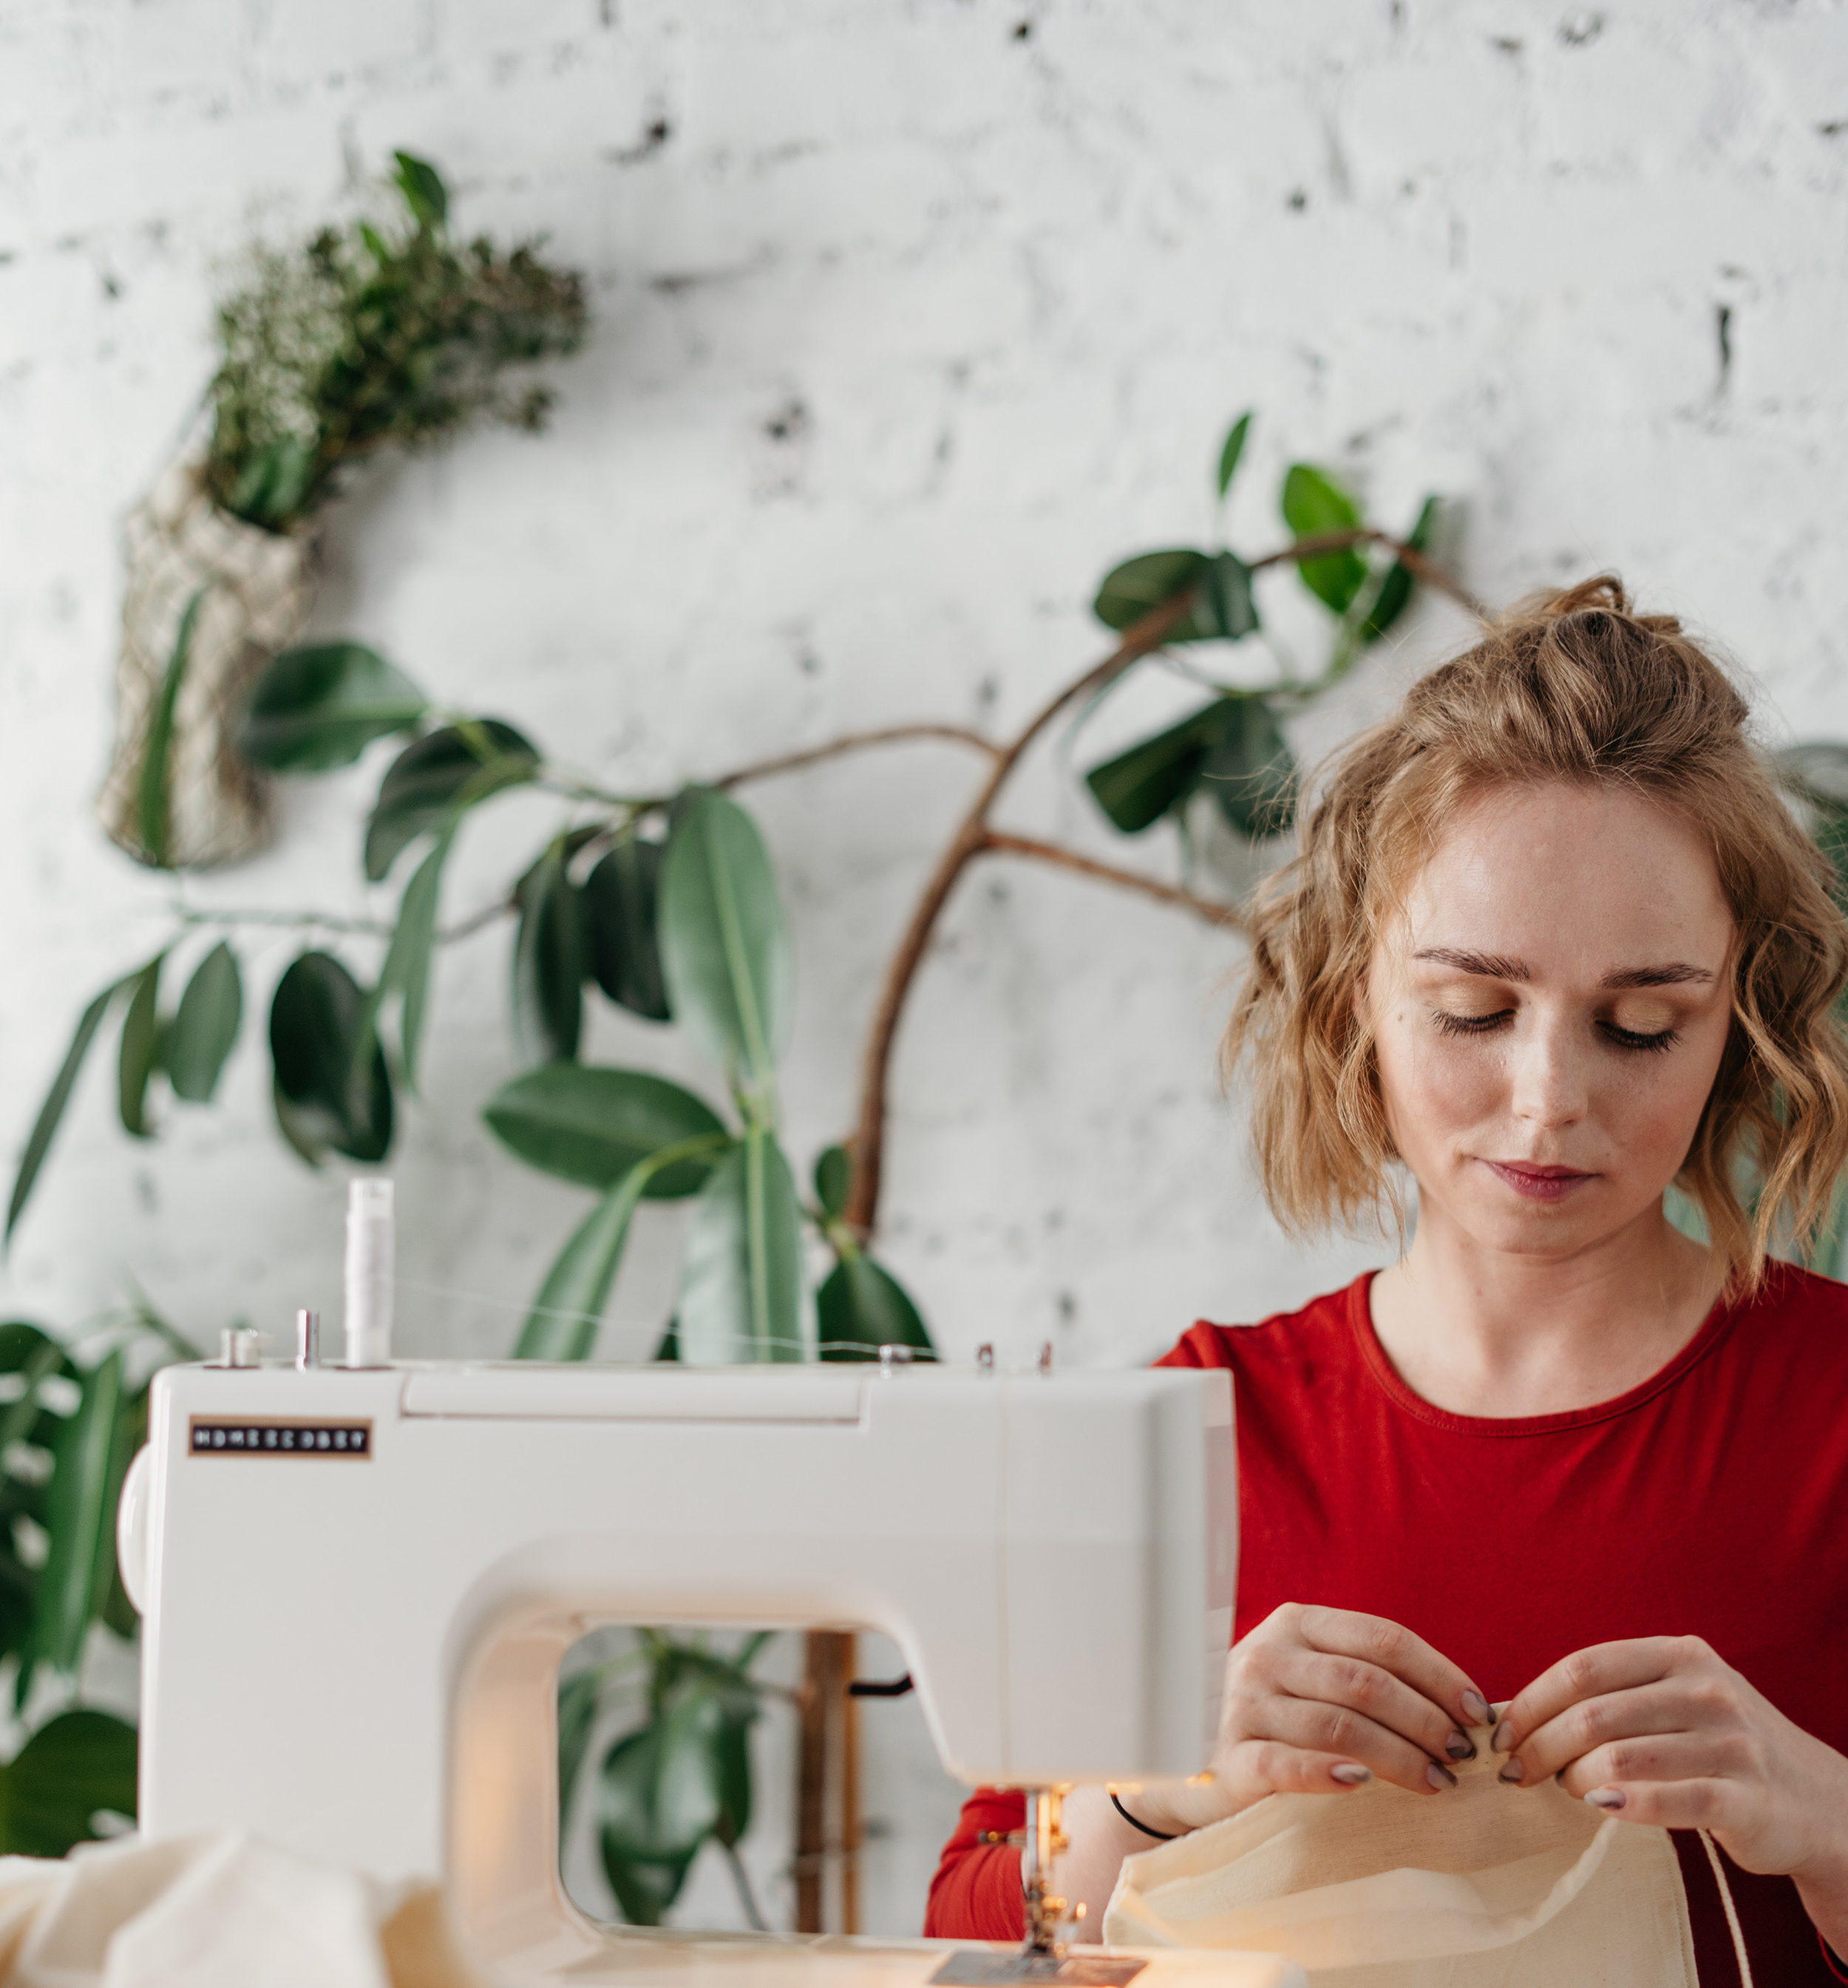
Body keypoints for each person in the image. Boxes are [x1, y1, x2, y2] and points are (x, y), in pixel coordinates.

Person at [924, 577, 1848, 1982]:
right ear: (1357, 990)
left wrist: (1819, 1812)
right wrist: (1154, 1786)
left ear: (1745, 1015)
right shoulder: (1199, 1424)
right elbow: (973, 1932)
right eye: (1475, 1010)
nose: (1547, 1102)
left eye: (1642, 1024)